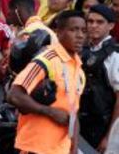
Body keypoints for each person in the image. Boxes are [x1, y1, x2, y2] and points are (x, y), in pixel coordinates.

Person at [7, 10, 87, 154]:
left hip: (60, 149)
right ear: (58, 32)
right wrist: (48, 111)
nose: (80, 35)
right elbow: (14, 95)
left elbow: (74, 115)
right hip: (35, 147)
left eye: (83, 30)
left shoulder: (78, 70)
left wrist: (73, 149)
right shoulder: (46, 60)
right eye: (73, 30)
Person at [79, 4, 119, 153]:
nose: (94, 26)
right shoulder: (83, 51)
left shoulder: (115, 56)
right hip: (82, 127)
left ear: (111, 25)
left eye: (100, 22)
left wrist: (109, 137)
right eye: (90, 21)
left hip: (103, 131)